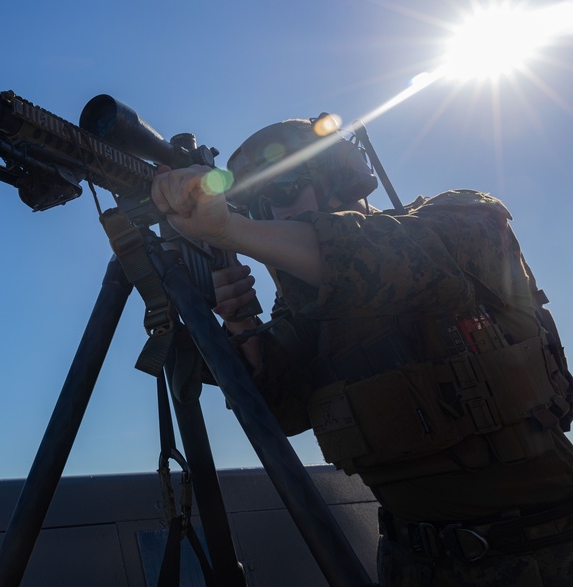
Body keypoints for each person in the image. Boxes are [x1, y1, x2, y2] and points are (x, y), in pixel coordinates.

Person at [150, 115, 573, 586]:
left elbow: (380, 259)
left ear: (337, 176)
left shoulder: (464, 221)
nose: (271, 213)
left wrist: (231, 230)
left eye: (284, 189)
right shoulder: (300, 306)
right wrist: (242, 324)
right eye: (255, 205)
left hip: (543, 549)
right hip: (409, 561)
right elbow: (280, 414)